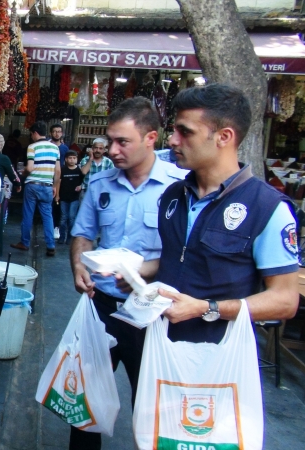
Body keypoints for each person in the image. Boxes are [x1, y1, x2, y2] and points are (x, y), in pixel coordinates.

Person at [69, 97, 187, 449]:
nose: (113, 150)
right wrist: (78, 264)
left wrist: (145, 271)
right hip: (103, 306)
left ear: (151, 138)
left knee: (151, 405)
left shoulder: (178, 187)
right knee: (85, 401)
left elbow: (186, 255)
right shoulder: (102, 183)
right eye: (110, 141)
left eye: (123, 142)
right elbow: (83, 234)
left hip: (153, 314)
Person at [151, 83, 299, 344]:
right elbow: (184, 259)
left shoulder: (267, 207)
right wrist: (135, 273)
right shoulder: (174, 194)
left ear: (224, 137)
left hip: (218, 358)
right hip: (157, 345)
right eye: (174, 130)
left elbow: (285, 301)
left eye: (185, 132)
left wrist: (207, 308)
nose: (173, 140)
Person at [11, 121, 60, 257]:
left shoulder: (32, 147)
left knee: (28, 215)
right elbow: (58, 171)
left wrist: (23, 173)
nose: (31, 136)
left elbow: (30, 167)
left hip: (33, 185)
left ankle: (25, 243)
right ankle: (50, 245)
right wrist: (55, 187)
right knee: (47, 216)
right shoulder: (55, 148)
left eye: (31, 134)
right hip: (47, 187)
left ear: (35, 133)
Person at [55, 150, 83, 244]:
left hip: (74, 198)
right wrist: (57, 195)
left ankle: (70, 237)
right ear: (66, 159)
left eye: (74, 158)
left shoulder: (79, 170)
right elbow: (58, 182)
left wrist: (81, 186)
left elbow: (84, 180)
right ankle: (62, 236)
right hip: (63, 198)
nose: (72, 160)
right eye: (70, 158)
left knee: (72, 218)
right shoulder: (62, 169)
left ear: (77, 159)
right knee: (63, 218)